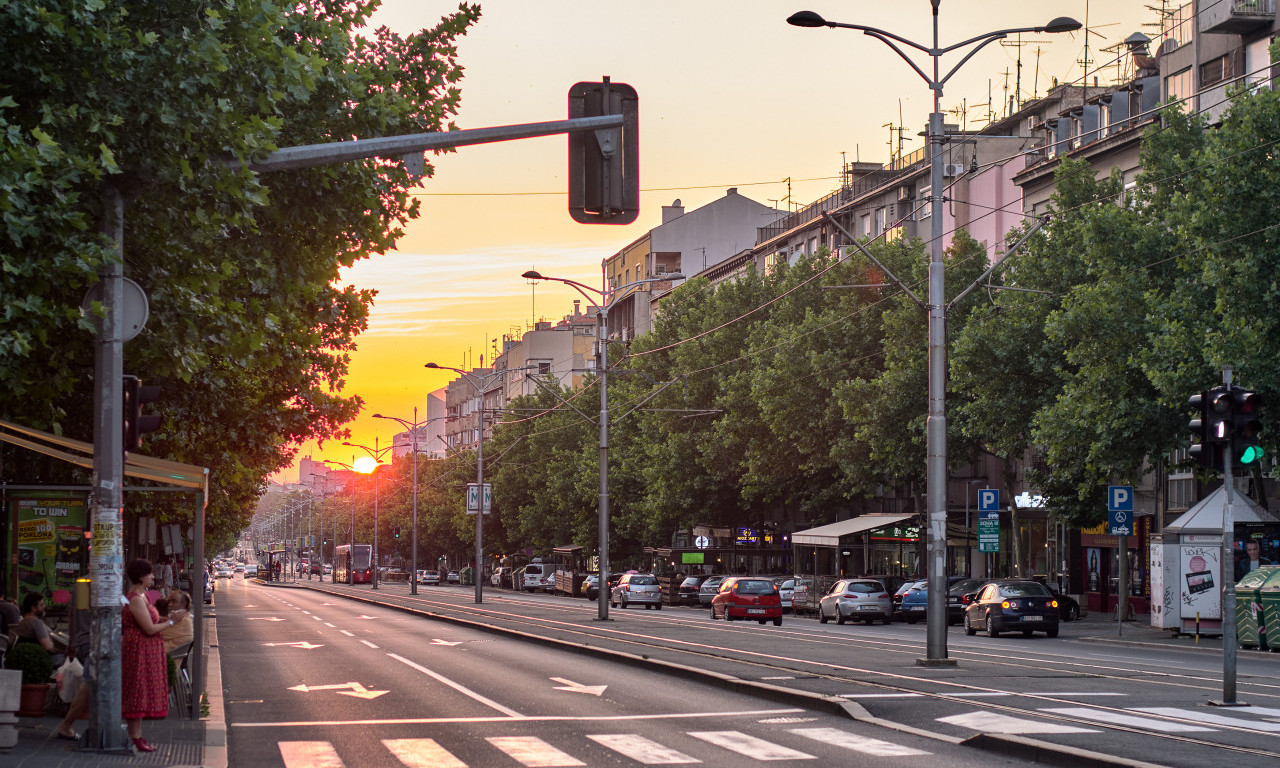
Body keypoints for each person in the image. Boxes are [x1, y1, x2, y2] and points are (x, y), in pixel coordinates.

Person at [122, 558, 187, 753]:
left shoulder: (142, 597)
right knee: (137, 690)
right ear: (141, 577)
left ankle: (139, 735)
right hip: (139, 650)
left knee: (142, 691)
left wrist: (169, 618)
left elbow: (153, 619)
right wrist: (172, 623)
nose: (153, 577)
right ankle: (134, 737)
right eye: (149, 574)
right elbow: (149, 628)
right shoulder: (135, 598)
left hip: (147, 650)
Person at [12, 592, 66, 667]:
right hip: (43, 659)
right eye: (41, 605)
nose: (44, 606)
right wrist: (61, 648)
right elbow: (47, 646)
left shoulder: (22, 622)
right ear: (33, 608)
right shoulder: (36, 623)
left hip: (30, 659)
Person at [160, 590, 193, 654]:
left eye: (174, 601)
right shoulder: (180, 618)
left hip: (164, 658)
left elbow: (156, 633)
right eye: (169, 601)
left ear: (184, 604)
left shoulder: (183, 621)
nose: (170, 604)